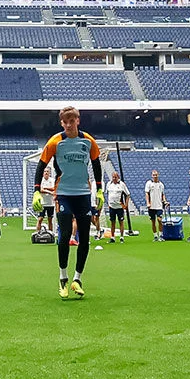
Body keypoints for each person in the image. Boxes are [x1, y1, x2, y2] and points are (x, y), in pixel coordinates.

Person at [35, 105, 103, 299]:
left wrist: (98, 190)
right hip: (63, 194)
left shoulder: (88, 141)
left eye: (72, 121)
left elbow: (97, 164)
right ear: (61, 123)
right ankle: (63, 278)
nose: (68, 125)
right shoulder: (56, 142)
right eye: (65, 122)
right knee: (64, 234)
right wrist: (36, 191)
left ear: (77, 121)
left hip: (83, 194)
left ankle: (77, 279)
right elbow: (41, 165)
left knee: (84, 237)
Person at [104, 171, 131, 239]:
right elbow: (107, 193)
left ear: (118, 177)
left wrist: (126, 204)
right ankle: (112, 237)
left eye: (115, 177)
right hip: (112, 206)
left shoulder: (122, 184)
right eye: (113, 177)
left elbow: (127, 194)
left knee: (121, 222)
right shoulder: (109, 184)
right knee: (112, 222)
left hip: (119, 207)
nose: (114, 178)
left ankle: (121, 237)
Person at [144, 170, 167, 241]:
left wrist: (165, 201)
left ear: (158, 175)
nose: (155, 176)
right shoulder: (149, 183)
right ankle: (155, 236)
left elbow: (163, 194)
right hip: (151, 206)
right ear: (152, 176)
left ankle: (160, 235)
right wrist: (148, 203)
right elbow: (147, 194)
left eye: (156, 175)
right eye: (154, 175)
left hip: (159, 205)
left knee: (159, 220)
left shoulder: (161, 185)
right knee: (153, 221)